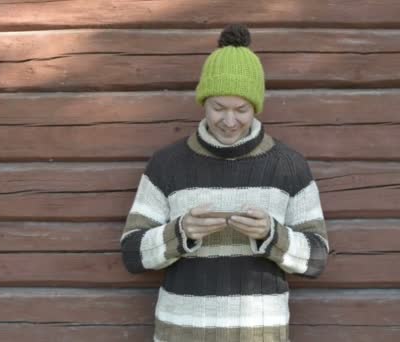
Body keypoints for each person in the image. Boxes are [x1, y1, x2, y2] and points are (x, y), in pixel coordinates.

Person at [119, 24, 329, 342]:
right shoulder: (167, 165)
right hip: (181, 333)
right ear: (203, 102)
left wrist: (271, 235)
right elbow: (132, 252)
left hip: (260, 335)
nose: (229, 121)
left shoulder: (288, 166)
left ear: (255, 107)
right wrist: (180, 233)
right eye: (218, 107)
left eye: (241, 110)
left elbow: (316, 257)